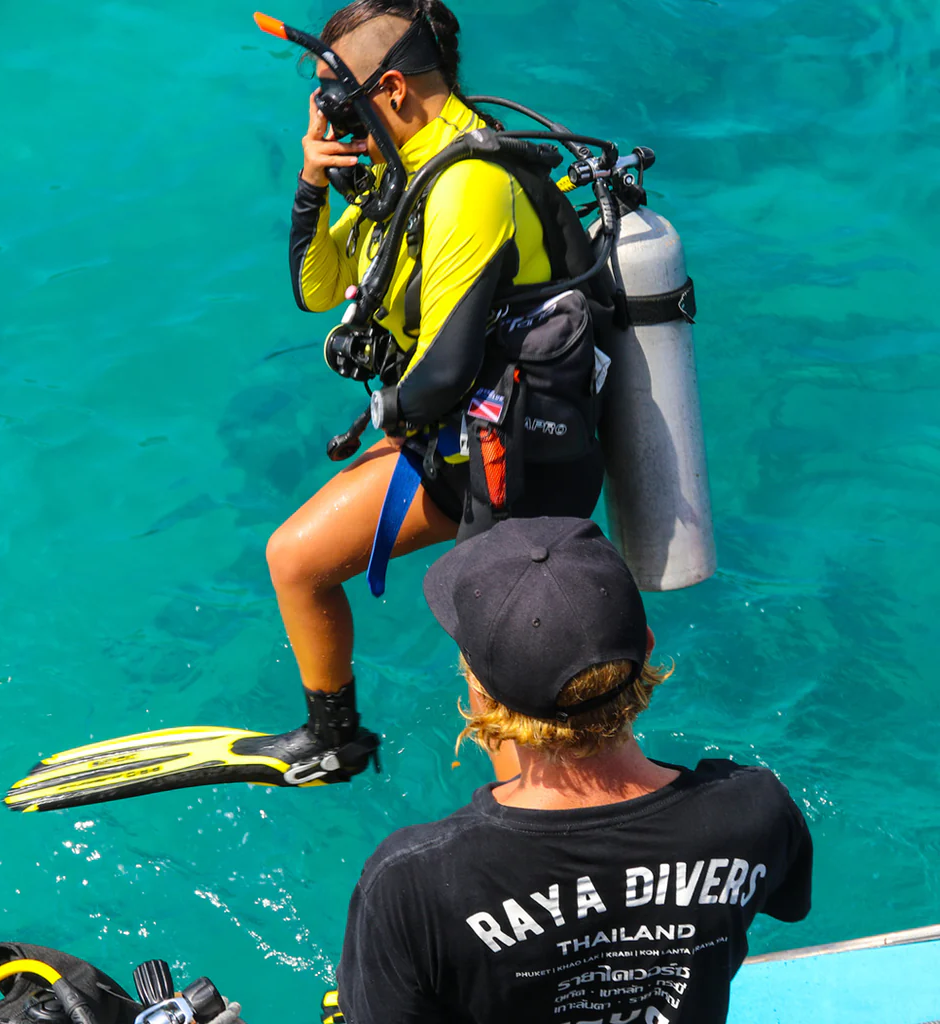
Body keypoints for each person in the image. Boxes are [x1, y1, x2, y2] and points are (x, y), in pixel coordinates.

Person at [255, 0, 608, 786]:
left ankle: (536, 828)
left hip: (518, 453)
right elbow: (317, 286)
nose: (325, 109)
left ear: (389, 89)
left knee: (493, 688)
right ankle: (335, 737)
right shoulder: (404, 172)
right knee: (296, 559)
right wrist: (313, 182)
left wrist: (376, 413)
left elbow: (444, 372)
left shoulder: (468, 184)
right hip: (450, 436)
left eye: (334, 93)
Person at [332, 517, 813, 1024]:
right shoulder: (756, 810)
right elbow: (783, 903)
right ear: (646, 645)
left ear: (479, 696)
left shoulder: (410, 886)